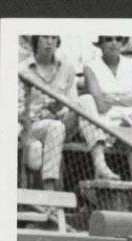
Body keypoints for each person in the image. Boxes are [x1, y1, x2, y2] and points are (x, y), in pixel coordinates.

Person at [78, 35, 132, 181]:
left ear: (123, 42)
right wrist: (129, 100)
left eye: (118, 39)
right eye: (108, 39)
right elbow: (99, 104)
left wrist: (113, 98)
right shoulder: (90, 67)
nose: (113, 43)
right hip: (105, 120)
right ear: (100, 43)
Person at [18, 35, 77, 191]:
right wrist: (42, 110)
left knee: (87, 101)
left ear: (58, 41)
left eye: (53, 37)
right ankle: (49, 185)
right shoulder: (22, 70)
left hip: (62, 120)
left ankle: (100, 163)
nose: (49, 42)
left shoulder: (67, 68)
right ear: (36, 40)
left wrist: (60, 109)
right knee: (55, 127)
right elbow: (16, 110)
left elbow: (74, 103)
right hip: (33, 126)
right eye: (45, 37)